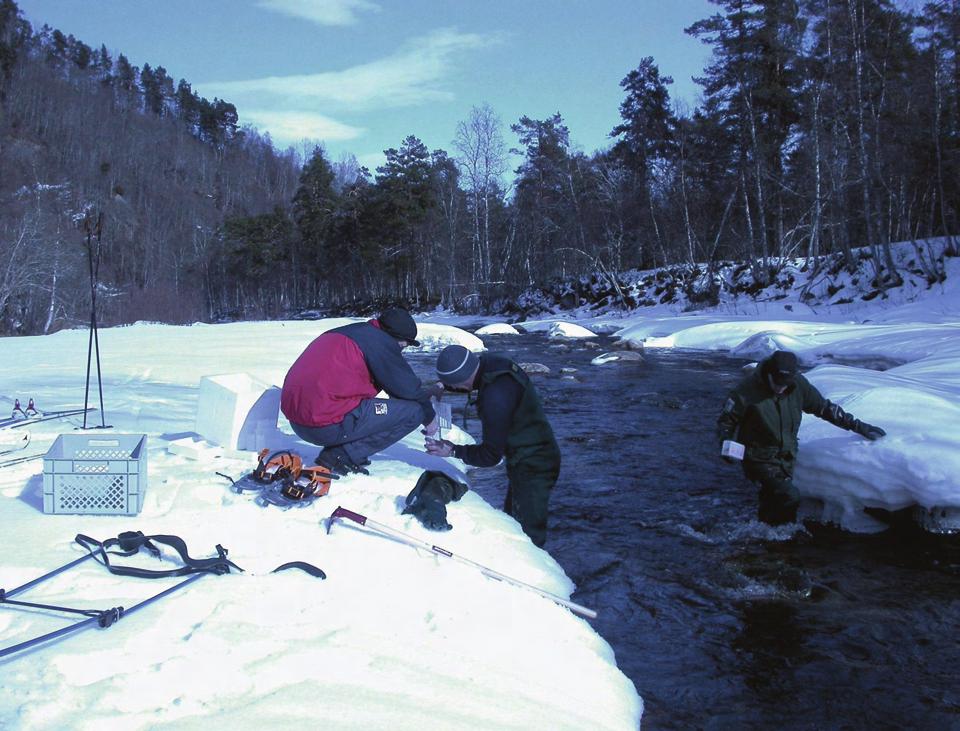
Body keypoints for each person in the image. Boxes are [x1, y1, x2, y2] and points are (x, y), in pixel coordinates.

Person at [717, 350, 886, 526]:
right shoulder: (745, 391)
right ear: (769, 374)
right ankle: (785, 536)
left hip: (787, 455)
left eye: (785, 384)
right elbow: (726, 421)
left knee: (771, 499)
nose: (780, 388)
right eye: (777, 383)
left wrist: (860, 426)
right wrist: (726, 444)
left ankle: (765, 535)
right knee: (789, 496)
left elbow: (825, 409)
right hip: (758, 457)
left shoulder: (798, 385)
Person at [424, 345, 561, 547]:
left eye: (456, 386)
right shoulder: (492, 364)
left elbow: (490, 456)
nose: (459, 390)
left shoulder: (494, 398)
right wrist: (442, 386)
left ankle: (532, 575)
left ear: (462, 381)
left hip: (534, 464)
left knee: (528, 535)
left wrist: (452, 450)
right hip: (534, 454)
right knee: (513, 522)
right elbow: (467, 379)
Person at [281, 307, 441, 475]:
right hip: (322, 427)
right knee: (415, 412)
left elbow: (398, 388)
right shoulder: (380, 343)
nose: (405, 347)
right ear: (398, 338)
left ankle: (342, 448)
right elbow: (409, 390)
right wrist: (429, 418)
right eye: (406, 343)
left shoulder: (348, 333)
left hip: (297, 423)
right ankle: (340, 456)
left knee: (373, 405)